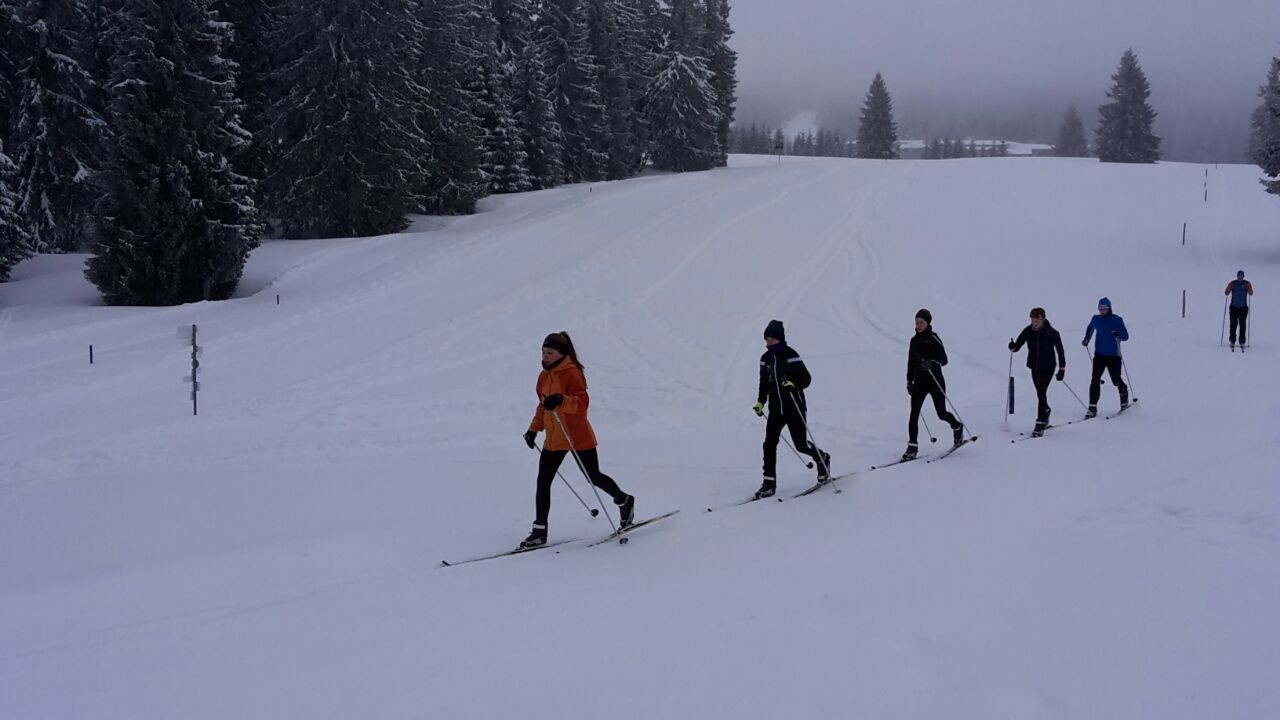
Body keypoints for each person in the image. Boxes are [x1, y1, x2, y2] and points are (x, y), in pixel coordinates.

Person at [521, 332, 634, 548]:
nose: (545, 357)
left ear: (561, 354)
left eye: (550, 353)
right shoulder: (544, 377)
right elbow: (543, 406)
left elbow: (581, 405)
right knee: (543, 482)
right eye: (543, 352)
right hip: (554, 439)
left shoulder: (572, 374)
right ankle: (539, 531)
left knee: (594, 477)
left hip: (576, 435)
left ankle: (624, 500)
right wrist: (533, 429)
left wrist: (561, 400)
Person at [753, 320, 831, 499]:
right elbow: (764, 383)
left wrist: (793, 383)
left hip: (794, 407)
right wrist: (760, 402)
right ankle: (768, 482)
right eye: (766, 339)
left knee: (801, 444)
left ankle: (822, 458)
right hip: (775, 409)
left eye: (771, 339)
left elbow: (806, 378)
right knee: (769, 444)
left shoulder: (790, 354)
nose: (768, 342)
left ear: (779, 339)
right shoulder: (765, 359)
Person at [904, 309, 964, 460]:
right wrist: (909, 381)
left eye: (921, 322)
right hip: (919, 382)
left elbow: (944, 359)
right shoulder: (914, 340)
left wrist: (932, 363)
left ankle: (957, 427)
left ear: (928, 323)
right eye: (917, 322)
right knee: (914, 414)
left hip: (935, 381)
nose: (918, 325)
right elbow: (910, 362)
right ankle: (912, 447)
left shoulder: (933, 338)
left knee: (941, 413)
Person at [1008, 307, 1067, 437]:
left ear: (1043, 319)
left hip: (1048, 367)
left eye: (1037, 319)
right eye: (1032, 319)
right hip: (1034, 367)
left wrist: (1062, 369)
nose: (1034, 322)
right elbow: (1018, 344)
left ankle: (1040, 422)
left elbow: (1060, 350)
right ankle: (1046, 411)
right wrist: (1013, 346)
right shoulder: (1028, 331)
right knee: (1040, 393)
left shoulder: (1051, 332)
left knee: (1041, 392)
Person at [1081, 297, 1129, 418]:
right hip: (1099, 355)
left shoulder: (1116, 320)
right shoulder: (1096, 319)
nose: (1102, 311)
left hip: (1114, 355)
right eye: (1100, 308)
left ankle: (1124, 395)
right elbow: (1090, 328)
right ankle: (1092, 407)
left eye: (1104, 308)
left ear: (1109, 308)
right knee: (1095, 379)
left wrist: (1118, 334)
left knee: (1115, 380)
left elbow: (1125, 336)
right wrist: (1087, 339)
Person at [1225, 270, 1254, 349]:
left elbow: (1251, 293)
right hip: (1233, 307)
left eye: (1241, 276)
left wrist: (1249, 289)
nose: (1240, 277)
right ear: (1237, 276)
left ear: (1243, 276)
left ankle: (1242, 341)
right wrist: (1227, 291)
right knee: (1233, 324)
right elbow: (1226, 291)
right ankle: (1232, 341)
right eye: (1239, 276)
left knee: (1242, 325)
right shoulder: (1233, 283)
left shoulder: (1246, 283)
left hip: (1243, 308)